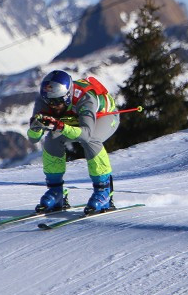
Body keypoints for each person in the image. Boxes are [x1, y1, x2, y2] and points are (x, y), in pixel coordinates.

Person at [27, 70, 120, 214]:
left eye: (58, 101)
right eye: (49, 101)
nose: (53, 106)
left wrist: (60, 126)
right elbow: (33, 138)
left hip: (105, 117)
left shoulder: (85, 98)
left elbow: (86, 135)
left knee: (92, 140)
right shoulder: (44, 99)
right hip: (72, 119)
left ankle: (104, 191)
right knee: (52, 139)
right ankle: (56, 191)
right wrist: (37, 126)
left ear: (68, 96)